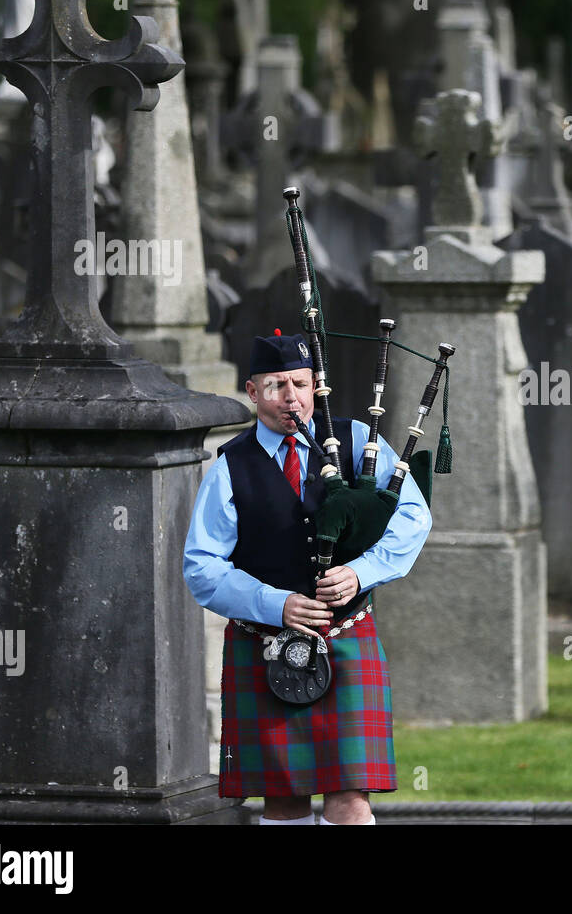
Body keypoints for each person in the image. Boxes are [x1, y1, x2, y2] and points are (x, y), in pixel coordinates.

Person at [184, 332, 431, 825]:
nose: (291, 396)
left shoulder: (356, 441)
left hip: (346, 634)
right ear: (252, 393)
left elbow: (412, 516)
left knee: (351, 796)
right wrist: (275, 604)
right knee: (283, 795)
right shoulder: (232, 466)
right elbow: (202, 566)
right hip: (266, 641)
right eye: (275, 385)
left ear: (315, 385)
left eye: (300, 383)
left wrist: (361, 572)